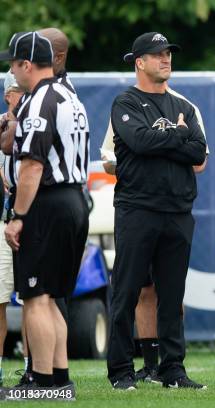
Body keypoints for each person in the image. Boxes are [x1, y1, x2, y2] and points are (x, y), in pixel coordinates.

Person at [106, 32, 206, 391]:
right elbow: (139, 142)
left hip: (178, 210)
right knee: (128, 291)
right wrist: (178, 138)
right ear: (140, 62)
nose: (165, 59)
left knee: (172, 296)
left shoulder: (184, 106)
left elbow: (198, 153)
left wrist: (172, 140)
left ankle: (172, 369)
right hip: (138, 209)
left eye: (168, 54)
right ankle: (121, 370)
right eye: (157, 54)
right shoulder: (125, 102)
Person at [1, 31, 89, 392]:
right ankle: (58, 379)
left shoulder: (40, 100)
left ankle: (40, 380)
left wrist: (18, 216)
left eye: (12, 63)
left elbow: (33, 165)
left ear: (26, 64)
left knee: (35, 297)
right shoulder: (69, 95)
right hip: (74, 199)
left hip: (48, 201)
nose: (11, 70)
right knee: (50, 297)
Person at [0, 72, 24, 386]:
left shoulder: (45, 114)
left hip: (36, 219)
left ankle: (34, 369)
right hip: (5, 220)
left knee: (36, 299)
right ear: (9, 96)